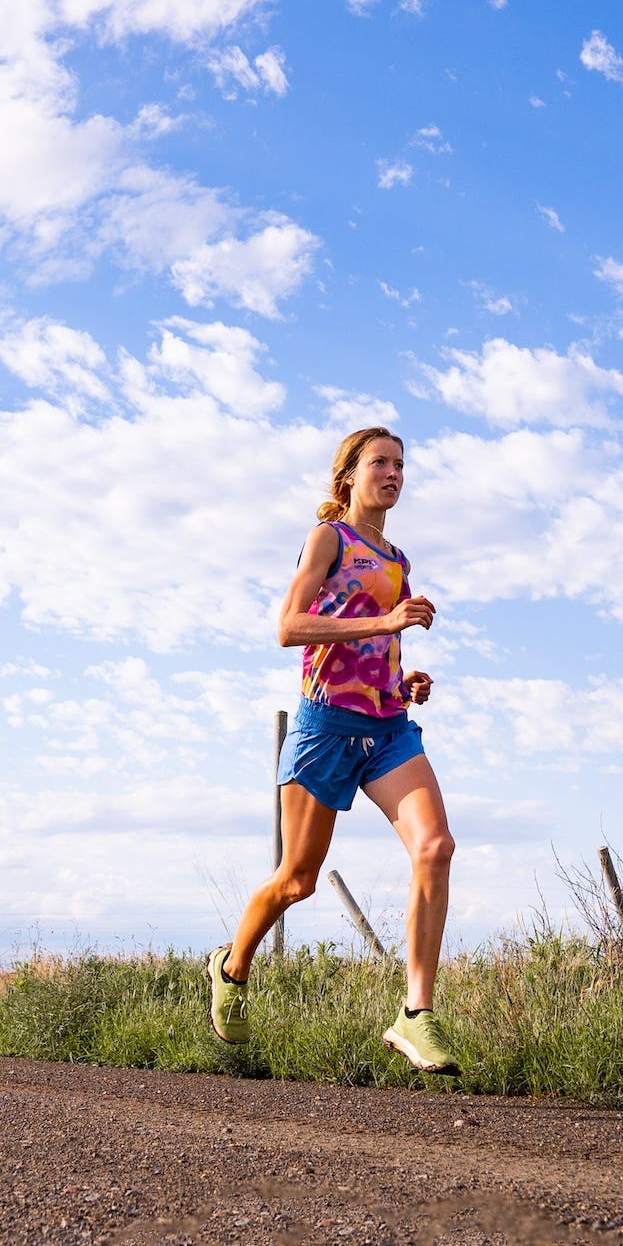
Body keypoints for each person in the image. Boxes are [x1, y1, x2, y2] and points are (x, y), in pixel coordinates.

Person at [208, 426, 461, 1074]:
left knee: (435, 847)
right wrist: (384, 621)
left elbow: (381, 656)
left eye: (402, 463)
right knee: (298, 881)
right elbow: (289, 629)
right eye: (381, 461)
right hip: (326, 725)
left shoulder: (400, 561)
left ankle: (416, 1015)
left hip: (388, 727)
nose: (394, 472)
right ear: (348, 475)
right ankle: (232, 967)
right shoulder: (330, 539)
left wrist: (408, 682)